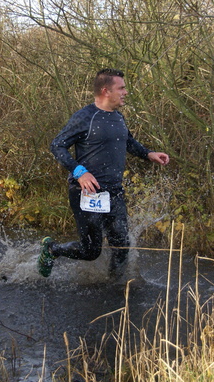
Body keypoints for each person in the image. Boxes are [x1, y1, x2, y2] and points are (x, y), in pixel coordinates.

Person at [37, 68, 170, 279]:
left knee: (121, 246)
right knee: (90, 251)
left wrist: (149, 154)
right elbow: (57, 145)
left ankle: (114, 291)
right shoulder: (85, 117)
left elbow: (127, 141)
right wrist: (80, 172)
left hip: (114, 191)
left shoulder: (118, 118)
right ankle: (52, 249)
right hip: (87, 192)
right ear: (106, 91)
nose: (126, 92)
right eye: (122, 88)